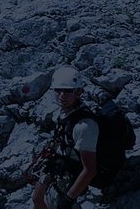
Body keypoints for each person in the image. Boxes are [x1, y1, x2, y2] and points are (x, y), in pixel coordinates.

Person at [32, 66, 99, 209]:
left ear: (78, 92)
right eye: (58, 90)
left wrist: (69, 199)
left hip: (71, 170)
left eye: (68, 91)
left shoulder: (85, 126)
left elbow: (90, 170)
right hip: (58, 162)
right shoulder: (64, 113)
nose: (62, 95)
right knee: (37, 199)